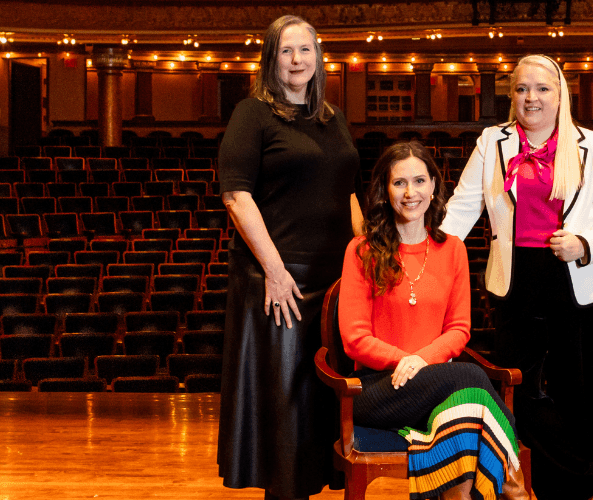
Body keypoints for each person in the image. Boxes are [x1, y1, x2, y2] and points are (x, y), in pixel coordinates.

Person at [439, 53, 593, 500]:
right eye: (522, 89)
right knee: (517, 391)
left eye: (542, 89)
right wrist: (425, 252)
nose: (531, 98)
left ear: (560, 93)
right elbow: (463, 208)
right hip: (515, 278)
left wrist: (584, 243)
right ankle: (588, 475)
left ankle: (564, 490)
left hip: (577, 278)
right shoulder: (493, 142)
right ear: (512, 96)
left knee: (577, 390)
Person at [216, 15, 363, 500]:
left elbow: (348, 192)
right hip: (282, 280)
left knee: (325, 400)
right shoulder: (252, 114)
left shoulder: (333, 117)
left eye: (305, 50)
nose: (297, 60)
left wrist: (363, 256)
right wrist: (275, 272)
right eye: (286, 51)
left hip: (334, 278)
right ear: (271, 60)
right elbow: (236, 196)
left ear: (319, 57)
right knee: (287, 403)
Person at [337, 141, 527, 500]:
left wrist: (422, 361)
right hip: (377, 389)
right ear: (384, 190)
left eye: (420, 181)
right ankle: (513, 477)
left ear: (435, 186)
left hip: (438, 386)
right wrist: (404, 361)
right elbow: (354, 338)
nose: (411, 193)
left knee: (466, 411)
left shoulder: (453, 249)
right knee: (471, 375)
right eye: (399, 183)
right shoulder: (361, 250)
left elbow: (459, 329)